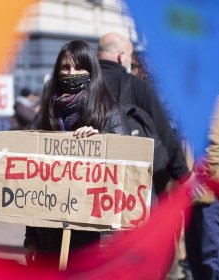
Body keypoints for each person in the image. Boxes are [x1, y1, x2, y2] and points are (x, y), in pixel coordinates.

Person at [24, 40, 131, 267]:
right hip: (51, 235)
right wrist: (31, 236)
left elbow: (128, 168)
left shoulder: (109, 112)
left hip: (95, 238)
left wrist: (102, 139)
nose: (71, 73)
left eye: (78, 67)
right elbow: (35, 178)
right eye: (65, 67)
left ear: (91, 71)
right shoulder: (50, 112)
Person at [97, 32, 190, 194]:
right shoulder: (138, 87)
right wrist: (182, 174)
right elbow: (164, 132)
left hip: (90, 181)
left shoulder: (80, 85)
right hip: (134, 183)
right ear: (122, 57)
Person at [186, 95, 219, 280]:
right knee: (197, 258)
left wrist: (197, 176)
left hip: (210, 194)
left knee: (215, 257)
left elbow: (218, 147)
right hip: (194, 193)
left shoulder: (215, 102)